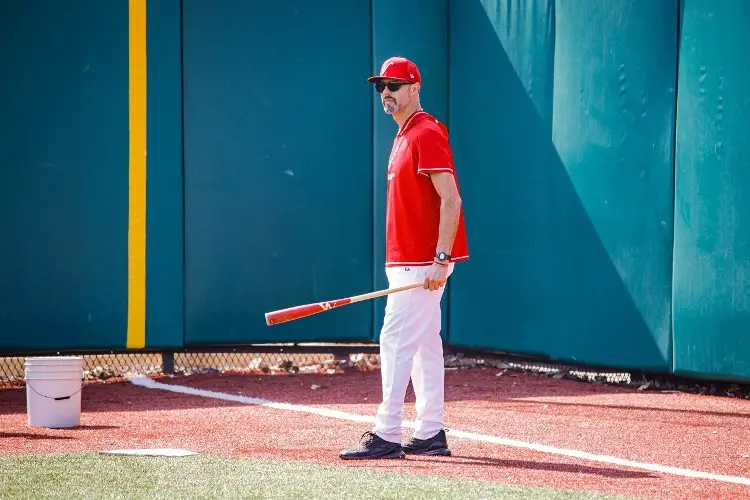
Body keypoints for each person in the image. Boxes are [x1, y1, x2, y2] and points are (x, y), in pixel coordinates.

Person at [339, 56, 469, 460]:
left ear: (415, 87)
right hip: (407, 261)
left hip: (421, 261)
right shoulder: (404, 135)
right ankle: (431, 432)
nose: (386, 93)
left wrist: (440, 258)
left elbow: (451, 199)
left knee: (394, 340)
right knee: (426, 345)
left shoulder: (426, 132)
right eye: (381, 87)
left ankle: (387, 433)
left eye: (395, 85)